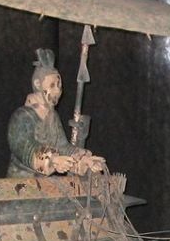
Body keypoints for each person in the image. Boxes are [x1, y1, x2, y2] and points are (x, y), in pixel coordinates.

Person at [7, 48, 105, 177]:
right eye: (52, 85)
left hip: (45, 182)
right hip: (22, 180)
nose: (57, 91)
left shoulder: (53, 116)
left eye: (59, 86)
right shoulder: (22, 116)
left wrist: (82, 160)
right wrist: (52, 160)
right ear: (38, 84)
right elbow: (24, 147)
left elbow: (62, 147)